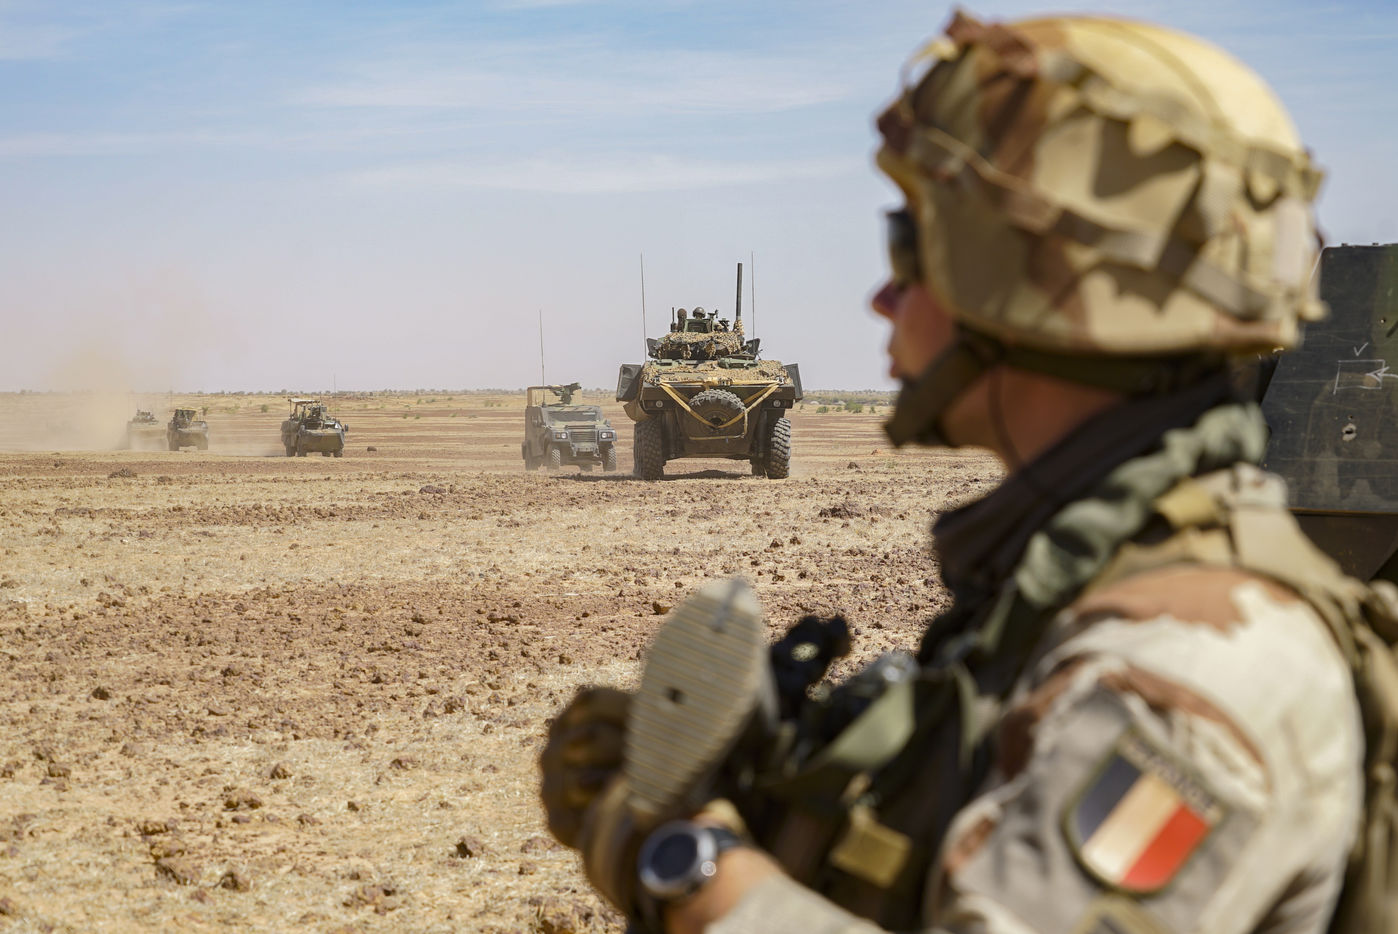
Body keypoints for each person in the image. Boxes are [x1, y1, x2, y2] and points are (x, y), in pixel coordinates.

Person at [541, 11, 1388, 934]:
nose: (881, 296)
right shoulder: (1077, 588)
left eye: (914, 247)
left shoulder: (1188, 684)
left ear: (1038, 284)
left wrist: (680, 864)